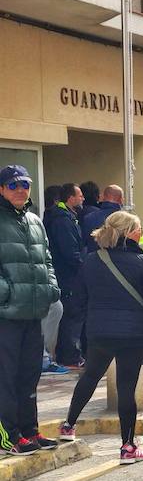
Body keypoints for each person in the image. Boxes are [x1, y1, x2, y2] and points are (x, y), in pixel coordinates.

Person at [59, 211, 143, 463]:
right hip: (132, 335)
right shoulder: (141, 263)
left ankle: (68, 425)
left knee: (90, 375)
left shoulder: (91, 261)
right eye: (138, 229)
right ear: (128, 233)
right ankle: (127, 447)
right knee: (126, 388)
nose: (142, 233)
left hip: (99, 332)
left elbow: (77, 301)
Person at [0, 165, 60, 455]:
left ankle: (30, 432)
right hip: (6, 315)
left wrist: (51, 288)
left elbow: (46, 259)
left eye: (25, 184)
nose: (21, 189)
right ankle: (9, 437)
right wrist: (7, 294)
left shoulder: (35, 220)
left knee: (29, 375)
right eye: (13, 185)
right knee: (6, 378)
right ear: (1, 189)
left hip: (34, 311)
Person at [44, 182, 86, 368]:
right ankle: (69, 356)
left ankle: (67, 354)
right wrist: (82, 267)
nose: (83, 198)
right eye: (79, 195)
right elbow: (70, 252)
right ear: (70, 198)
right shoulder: (63, 220)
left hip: (66, 273)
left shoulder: (66, 217)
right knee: (71, 315)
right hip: (68, 275)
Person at [81, 184, 124, 252]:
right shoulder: (126, 219)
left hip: (94, 259)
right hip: (121, 260)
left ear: (103, 197)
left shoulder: (89, 218)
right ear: (121, 199)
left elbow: (84, 243)